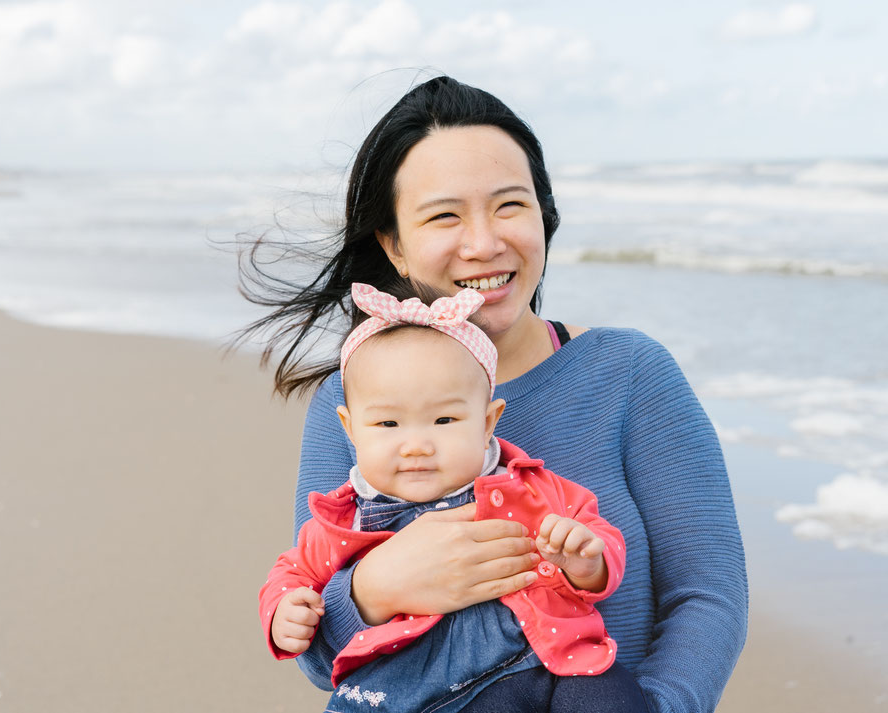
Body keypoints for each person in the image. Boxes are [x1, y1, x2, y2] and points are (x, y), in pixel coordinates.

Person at [240, 75, 748, 713]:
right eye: (445, 215)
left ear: (544, 216)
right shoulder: (352, 404)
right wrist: (374, 588)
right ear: (393, 244)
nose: (484, 244)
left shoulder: (628, 373)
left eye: (511, 205)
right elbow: (318, 652)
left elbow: (708, 597)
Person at [260, 282, 648, 712]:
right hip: (415, 693)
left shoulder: (528, 488)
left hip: (551, 662)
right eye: (388, 424)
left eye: (444, 419)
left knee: (611, 695)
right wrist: (284, 612)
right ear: (350, 429)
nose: (416, 446)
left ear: (487, 422)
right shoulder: (341, 521)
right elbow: (292, 573)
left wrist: (586, 563)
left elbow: (595, 531)